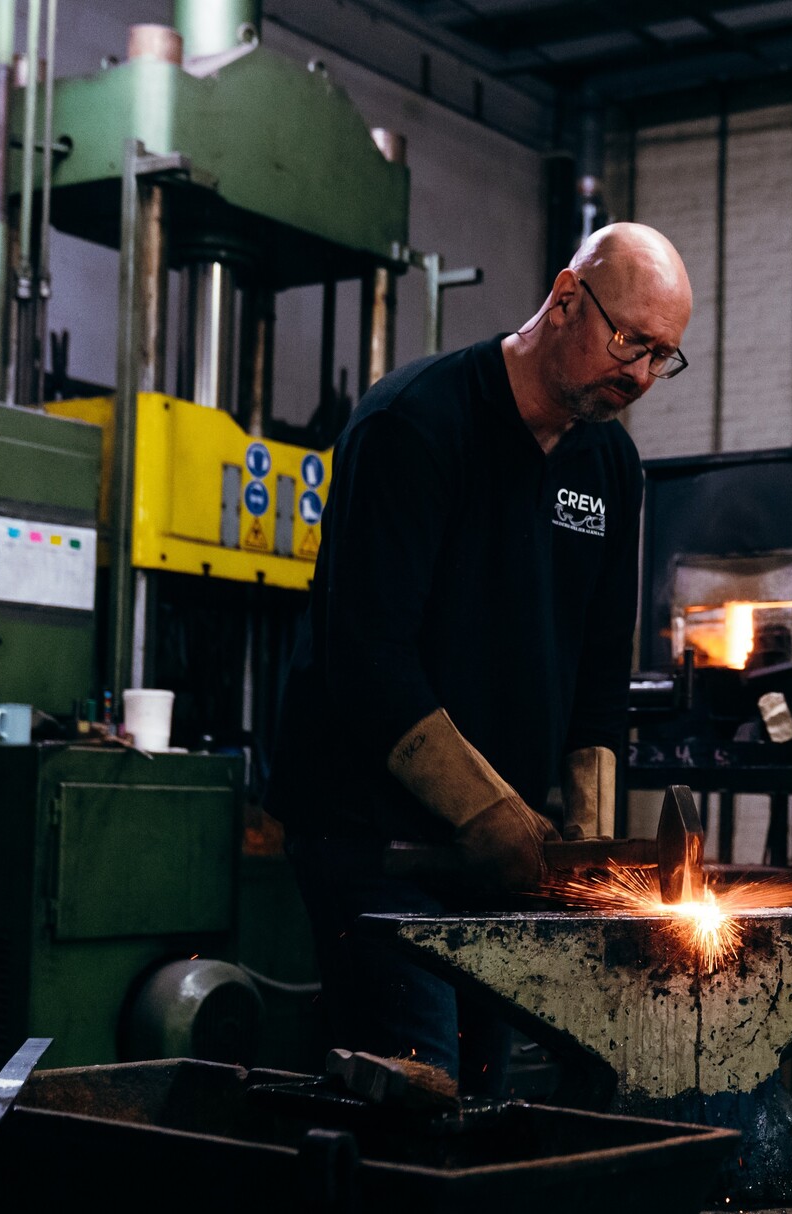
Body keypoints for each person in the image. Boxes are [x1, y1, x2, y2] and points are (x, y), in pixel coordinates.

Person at [269, 222, 693, 1094]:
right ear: (567, 299)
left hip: (497, 869)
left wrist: (589, 844)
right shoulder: (415, 425)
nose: (643, 376)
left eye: (664, 357)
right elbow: (367, 660)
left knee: (491, 1102)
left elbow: (599, 680)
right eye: (631, 343)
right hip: (377, 848)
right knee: (418, 1089)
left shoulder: (610, 465)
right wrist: (487, 814)